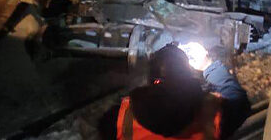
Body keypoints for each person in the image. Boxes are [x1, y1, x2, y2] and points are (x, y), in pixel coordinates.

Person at [98, 43, 250, 140]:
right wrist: (209, 66)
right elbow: (237, 98)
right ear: (187, 78)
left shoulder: (119, 118)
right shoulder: (212, 113)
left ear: (153, 81)